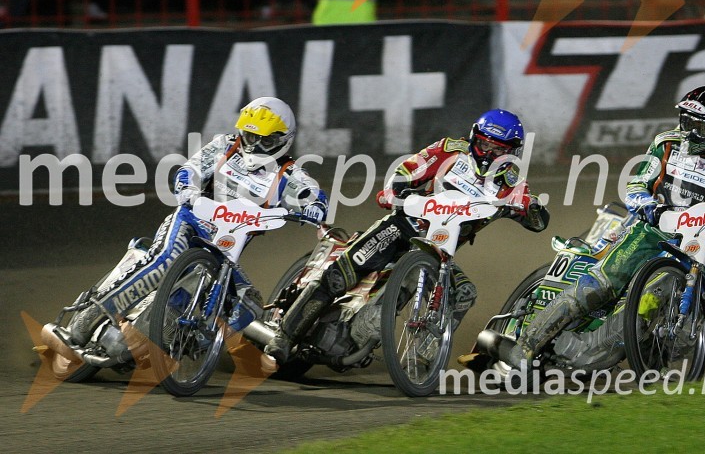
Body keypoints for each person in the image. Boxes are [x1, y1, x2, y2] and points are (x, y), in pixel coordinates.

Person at [265, 109, 551, 363]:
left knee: (464, 293)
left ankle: (425, 357)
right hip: (404, 226)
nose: (489, 153)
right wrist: (395, 191)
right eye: (485, 143)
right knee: (340, 275)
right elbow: (407, 170)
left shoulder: (511, 180)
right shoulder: (450, 150)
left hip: (440, 252)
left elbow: (535, 216)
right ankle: (285, 336)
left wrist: (531, 210)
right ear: (475, 137)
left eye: (498, 149)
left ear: (513, 151)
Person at [503, 86, 705, 369]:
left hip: (694, 250)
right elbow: (636, 184)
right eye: (686, 121)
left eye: (698, 125)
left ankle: (664, 351)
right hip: (649, 232)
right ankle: (527, 346)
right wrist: (646, 204)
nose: (689, 131)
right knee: (598, 286)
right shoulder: (666, 143)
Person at [68, 97, 328, 345]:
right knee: (165, 259)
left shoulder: (288, 173)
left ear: (284, 140)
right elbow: (188, 170)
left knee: (249, 304)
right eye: (250, 137)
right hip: (190, 222)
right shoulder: (225, 146)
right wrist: (187, 190)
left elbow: (313, 195)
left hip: (225, 252)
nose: (255, 146)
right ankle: (93, 314)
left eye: (266, 141)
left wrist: (315, 208)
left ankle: (188, 344)